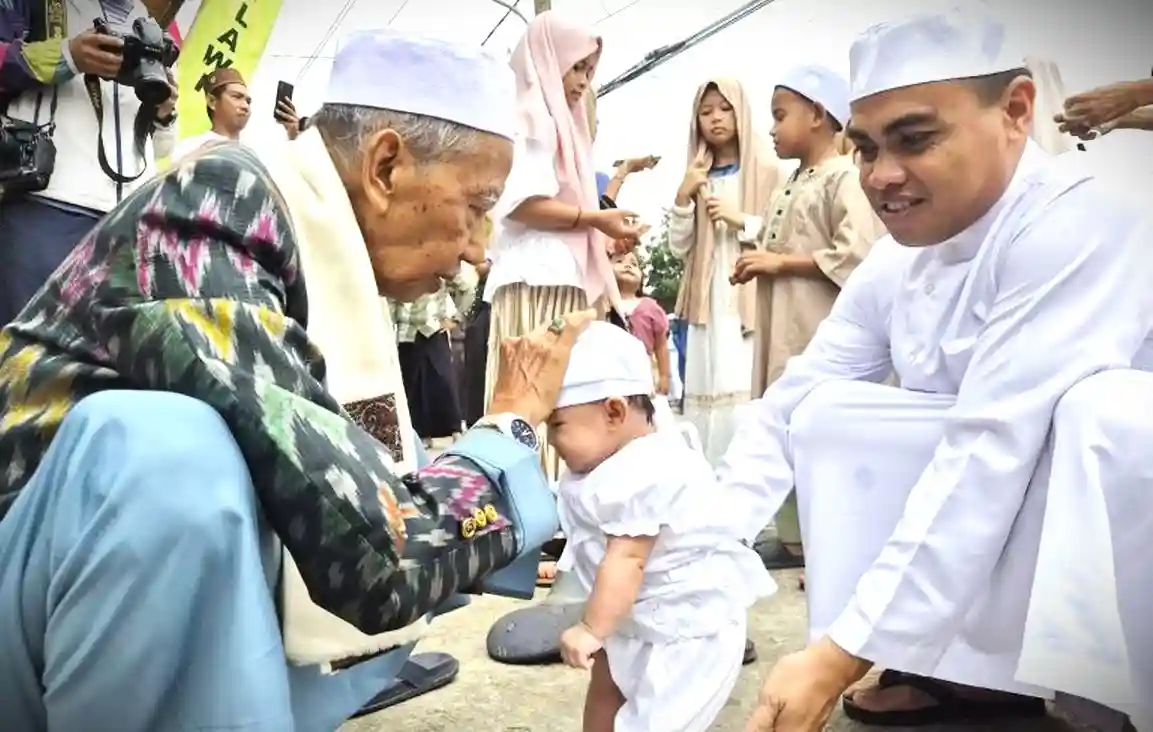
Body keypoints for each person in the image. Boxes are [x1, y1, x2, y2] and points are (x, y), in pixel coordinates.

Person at [0, 29, 585, 731]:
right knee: (168, 453)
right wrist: (506, 432)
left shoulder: (306, 246)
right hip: (28, 608)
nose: (476, 252)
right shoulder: (217, 199)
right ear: (387, 165)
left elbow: (376, 504)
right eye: (477, 206)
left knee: (362, 476)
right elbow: (377, 556)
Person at [734, 8, 1153, 732]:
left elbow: (990, 447)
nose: (881, 176)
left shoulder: (1078, 221)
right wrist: (690, 548)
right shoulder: (899, 257)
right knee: (830, 416)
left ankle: (1108, 693)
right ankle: (959, 672)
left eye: (915, 139)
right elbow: (790, 403)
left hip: (1107, 500)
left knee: (1098, 412)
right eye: (863, 148)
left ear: (1015, 111)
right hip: (1006, 483)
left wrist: (838, 653)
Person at [551, 322, 773, 732]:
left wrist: (589, 628)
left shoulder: (649, 468)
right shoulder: (602, 462)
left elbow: (628, 559)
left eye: (557, 425)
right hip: (635, 620)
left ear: (614, 411)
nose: (551, 440)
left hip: (685, 633)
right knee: (606, 690)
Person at [729, 65, 883, 574]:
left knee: (816, 427)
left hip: (817, 328)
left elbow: (859, 253)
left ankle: (826, 538)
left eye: (780, 115)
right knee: (783, 426)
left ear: (818, 115)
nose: (771, 129)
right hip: (783, 324)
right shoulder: (792, 181)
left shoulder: (844, 177)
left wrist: (780, 263)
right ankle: (795, 541)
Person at [484, 11, 643, 480]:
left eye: (589, 72)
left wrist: (601, 226)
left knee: (568, 391)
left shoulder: (565, 126)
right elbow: (520, 204)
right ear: (548, 59)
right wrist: (594, 218)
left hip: (559, 274)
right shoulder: (529, 118)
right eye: (576, 67)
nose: (582, 81)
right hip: (537, 275)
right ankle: (529, 492)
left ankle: (557, 500)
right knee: (539, 391)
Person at [0, 0, 177, 326]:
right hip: (45, 204)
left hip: (128, 223)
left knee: (99, 366)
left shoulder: (155, 23)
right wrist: (68, 56)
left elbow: (164, 145)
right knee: (20, 357)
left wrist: (164, 111)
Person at [668, 77, 782, 464]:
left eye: (724, 108)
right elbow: (679, 246)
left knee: (742, 380)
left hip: (749, 291)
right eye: (705, 111)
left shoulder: (768, 169)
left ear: (740, 111)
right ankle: (708, 477)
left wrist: (742, 221)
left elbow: (784, 235)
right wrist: (684, 196)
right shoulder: (696, 175)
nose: (715, 118)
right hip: (709, 293)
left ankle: (747, 474)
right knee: (707, 379)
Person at [394, 267, 478, 446]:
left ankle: (455, 429)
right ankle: (421, 434)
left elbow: (468, 290)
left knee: (444, 379)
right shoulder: (397, 267)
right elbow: (390, 301)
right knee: (412, 384)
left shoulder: (438, 265)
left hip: (434, 328)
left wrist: (456, 319)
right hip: (406, 333)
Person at [170, 66, 251, 159]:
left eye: (248, 101)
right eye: (236, 97)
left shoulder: (253, 155)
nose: (245, 106)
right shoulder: (189, 149)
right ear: (212, 101)